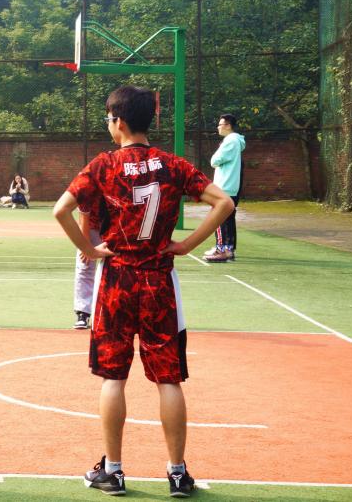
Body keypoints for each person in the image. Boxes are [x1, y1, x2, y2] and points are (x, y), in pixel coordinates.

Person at [53, 85, 234, 498]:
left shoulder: (103, 165)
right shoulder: (173, 165)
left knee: (113, 377)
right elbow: (223, 203)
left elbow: (61, 210)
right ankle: (177, 474)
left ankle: (113, 472)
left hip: (117, 279)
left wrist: (88, 250)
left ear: (117, 121)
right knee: (168, 379)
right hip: (159, 281)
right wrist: (187, 245)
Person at [204, 114, 246, 263]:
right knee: (228, 219)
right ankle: (228, 249)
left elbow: (214, 160)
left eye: (220, 124)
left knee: (219, 217)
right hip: (230, 186)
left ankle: (221, 250)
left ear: (228, 126)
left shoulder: (231, 141)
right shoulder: (235, 141)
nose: (218, 127)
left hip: (225, 186)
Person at [73, 202, 104, 330]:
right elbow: (84, 218)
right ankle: (83, 312)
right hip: (91, 227)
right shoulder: (86, 192)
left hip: (116, 227)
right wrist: (86, 246)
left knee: (118, 266)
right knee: (84, 264)